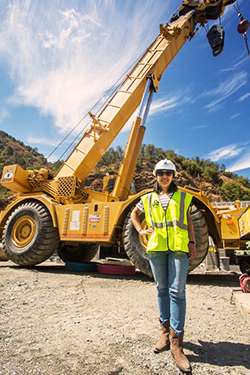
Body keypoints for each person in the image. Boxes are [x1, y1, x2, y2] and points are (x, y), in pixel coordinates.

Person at [131, 159, 196, 373]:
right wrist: (140, 230)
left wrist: (192, 243)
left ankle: (177, 345)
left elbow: (188, 220)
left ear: (174, 176)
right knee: (161, 290)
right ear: (156, 176)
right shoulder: (148, 198)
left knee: (177, 291)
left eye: (168, 173)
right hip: (157, 248)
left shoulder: (184, 196)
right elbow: (133, 214)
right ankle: (164, 334)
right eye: (161, 173)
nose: (164, 176)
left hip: (178, 248)